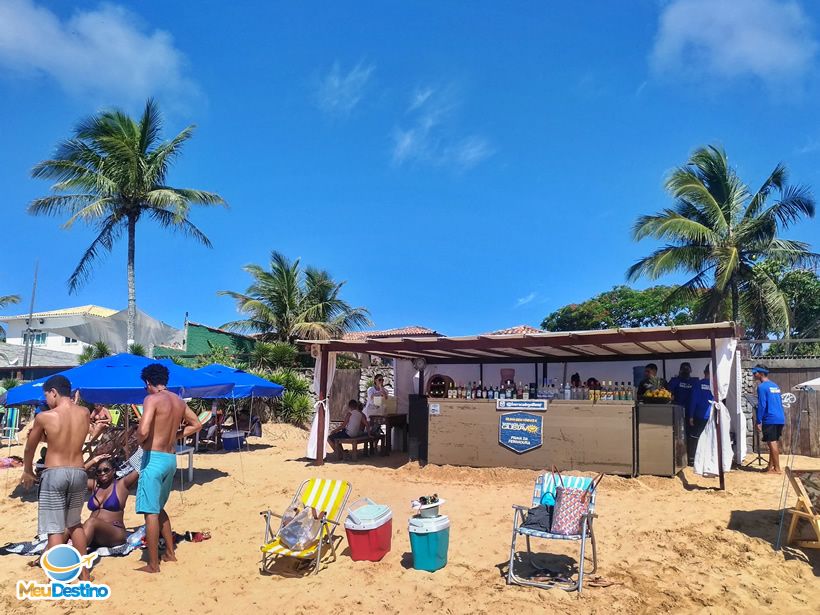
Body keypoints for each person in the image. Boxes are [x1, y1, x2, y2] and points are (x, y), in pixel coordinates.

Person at [20, 375, 91, 580]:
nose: (47, 401)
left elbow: (29, 448)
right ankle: (84, 573)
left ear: (54, 392)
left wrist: (27, 470)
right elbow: (70, 431)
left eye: (47, 397)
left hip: (55, 472)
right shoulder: (85, 413)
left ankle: (56, 577)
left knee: (55, 529)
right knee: (75, 524)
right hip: (79, 471)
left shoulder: (45, 417)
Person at [136, 363, 202, 573]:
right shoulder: (178, 401)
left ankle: (153, 564)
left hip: (153, 458)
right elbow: (197, 424)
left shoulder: (151, 399)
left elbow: (144, 430)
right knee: (159, 507)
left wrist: (139, 440)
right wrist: (176, 435)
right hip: (170, 459)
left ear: (148, 382)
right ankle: (170, 553)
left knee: (150, 512)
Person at [68, 454, 139, 548]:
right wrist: (92, 461)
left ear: (113, 471)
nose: (102, 473)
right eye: (99, 471)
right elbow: (75, 477)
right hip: (94, 534)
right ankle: (47, 556)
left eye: (106, 470)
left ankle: (76, 556)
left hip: (114, 533)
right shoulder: (94, 485)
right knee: (69, 526)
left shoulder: (122, 484)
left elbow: (139, 469)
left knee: (92, 521)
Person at [752, 365, 785, 474]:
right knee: (774, 442)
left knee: (772, 443)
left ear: (760, 374)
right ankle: (770, 467)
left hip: (769, 418)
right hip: (780, 417)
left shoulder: (762, 387)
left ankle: (777, 469)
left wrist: (758, 420)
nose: (753, 375)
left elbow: (762, 404)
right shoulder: (775, 385)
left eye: (754, 373)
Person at [687, 366, 713, 462]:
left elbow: (693, 401)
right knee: (709, 437)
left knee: (695, 437)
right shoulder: (715, 385)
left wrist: (690, 416)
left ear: (704, 372)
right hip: (711, 415)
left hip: (699, 415)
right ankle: (706, 458)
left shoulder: (698, 384)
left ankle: (692, 459)